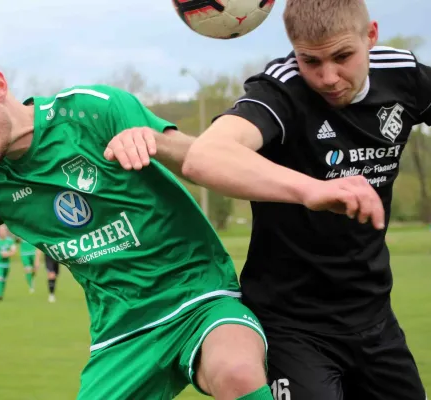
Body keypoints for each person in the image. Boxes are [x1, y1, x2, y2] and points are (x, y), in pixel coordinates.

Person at [0, 47, 273, 400]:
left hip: (199, 297)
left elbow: (205, 160)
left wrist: (154, 140)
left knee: (236, 372)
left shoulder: (92, 111)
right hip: (120, 335)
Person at [104, 0, 430, 398]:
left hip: (375, 320)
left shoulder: (403, 75)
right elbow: (207, 157)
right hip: (291, 327)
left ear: (372, 36)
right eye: (311, 60)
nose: (328, 77)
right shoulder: (282, 88)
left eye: (342, 56)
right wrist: (312, 189)